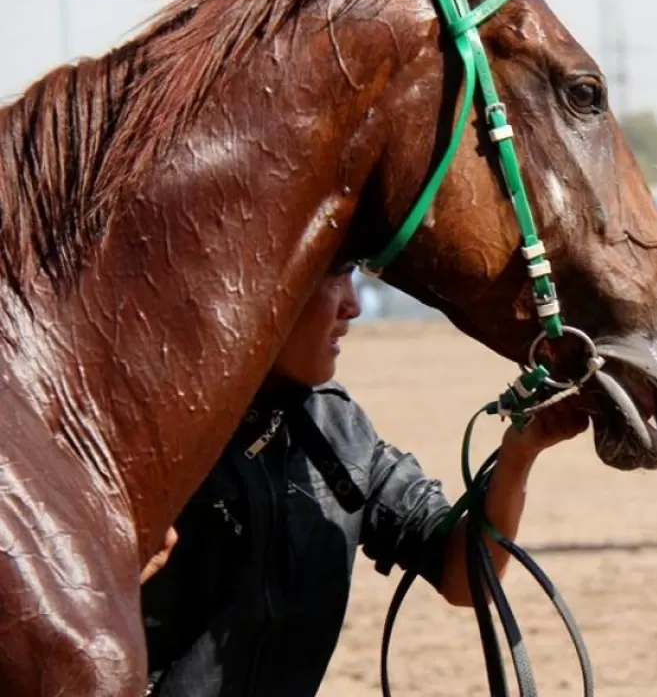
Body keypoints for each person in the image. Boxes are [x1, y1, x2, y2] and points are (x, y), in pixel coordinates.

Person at [139, 262, 587, 697]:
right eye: (334, 274)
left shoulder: (339, 427)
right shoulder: (141, 426)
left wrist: (517, 456)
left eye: (353, 275)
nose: (353, 304)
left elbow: (463, 579)